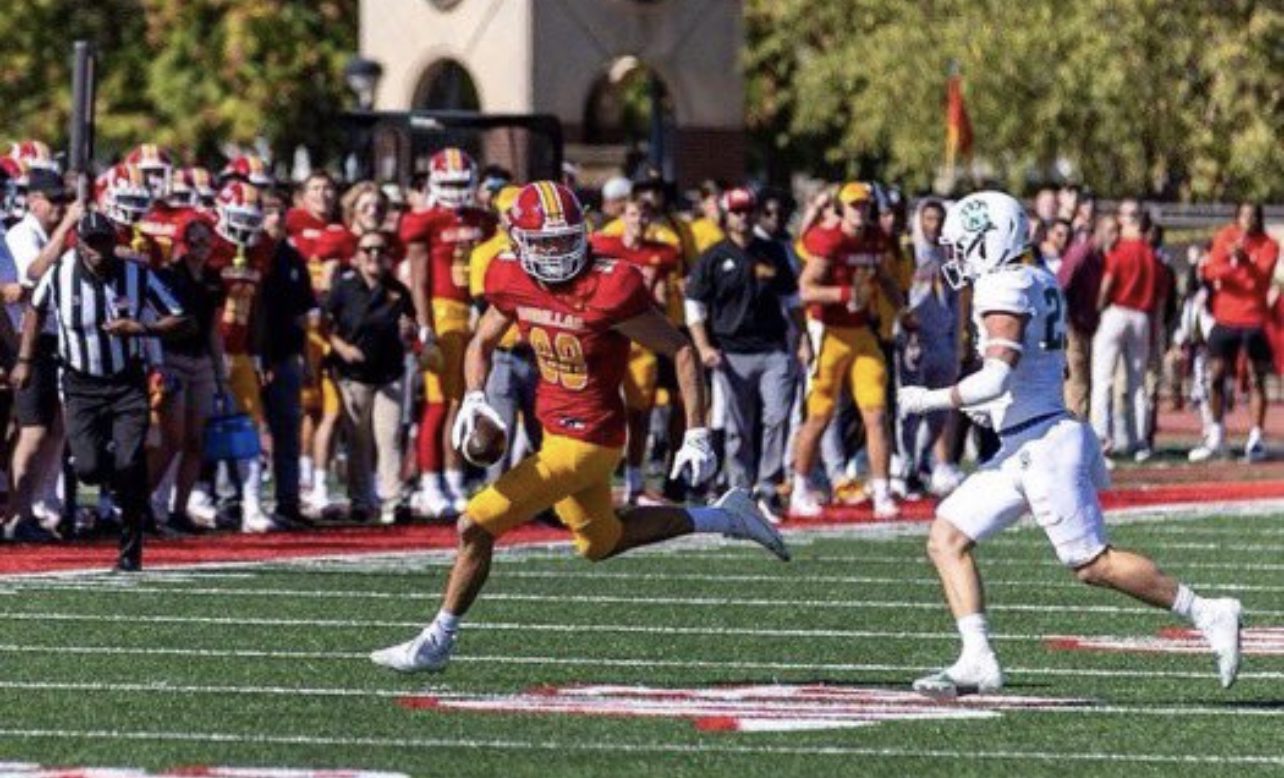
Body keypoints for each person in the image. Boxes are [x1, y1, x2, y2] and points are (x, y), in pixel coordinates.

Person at [369, 182, 789, 673]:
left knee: (474, 524)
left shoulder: (611, 285)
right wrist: (476, 396)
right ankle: (726, 517)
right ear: (518, 239)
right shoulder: (508, 273)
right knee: (600, 542)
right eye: (544, 242)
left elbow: (680, 350)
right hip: (554, 430)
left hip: (591, 441)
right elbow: (482, 343)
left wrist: (696, 430)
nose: (555, 251)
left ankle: (437, 640)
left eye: (564, 239)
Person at [897, 190, 1242, 697]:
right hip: (1026, 439)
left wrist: (930, 399)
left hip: (1042, 446)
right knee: (946, 538)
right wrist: (995, 407)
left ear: (991, 240)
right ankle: (977, 659)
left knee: (1092, 564)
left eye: (965, 244)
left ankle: (1208, 611)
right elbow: (1030, 372)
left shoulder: (1004, 284)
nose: (959, 256)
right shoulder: (1035, 277)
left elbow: (996, 375)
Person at [14, 211, 189, 571]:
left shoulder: (136, 275)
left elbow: (180, 316)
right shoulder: (60, 274)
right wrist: (25, 361)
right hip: (80, 383)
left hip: (127, 382)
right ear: (79, 244)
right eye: (90, 243)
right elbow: (34, 309)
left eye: (103, 242)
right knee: (89, 468)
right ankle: (117, 472)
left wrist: (140, 328)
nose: (97, 250)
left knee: (130, 462)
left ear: (114, 242)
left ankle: (130, 547)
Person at [685, 186, 806, 517]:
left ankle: (768, 487)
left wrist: (803, 339)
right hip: (731, 352)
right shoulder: (713, 257)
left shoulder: (772, 252)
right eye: (737, 211)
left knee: (777, 417)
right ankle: (740, 489)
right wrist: (704, 346)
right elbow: (694, 306)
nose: (743, 217)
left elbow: (792, 301)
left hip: (773, 349)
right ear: (727, 215)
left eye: (748, 210)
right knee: (738, 427)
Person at [791, 182, 904, 519]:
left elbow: (884, 278)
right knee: (819, 415)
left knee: (876, 414)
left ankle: (882, 490)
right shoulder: (829, 239)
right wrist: (843, 295)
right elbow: (805, 289)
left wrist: (904, 311)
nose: (860, 211)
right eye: (854, 205)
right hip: (829, 332)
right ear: (841, 209)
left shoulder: (875, 238)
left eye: (865, 205)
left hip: (861, 333)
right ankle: (799, 488)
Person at [400, 148, 498, 517]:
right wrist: (425, 326)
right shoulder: (423, 220)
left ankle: (454, 480)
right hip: (441, 315)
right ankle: (430, 483)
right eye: (450, 183)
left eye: (461, 183)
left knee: (463, 402)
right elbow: (419, 280)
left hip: (473, 312)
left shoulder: (482, 219)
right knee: (439, 403)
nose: (456, 191)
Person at [589, 196, 680, 503]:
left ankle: (634, 481)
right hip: (608, 336)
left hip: (641, 339)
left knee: (639, 413)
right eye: (632, 214)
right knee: (599, 408)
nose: (638, 221)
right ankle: (595, 478)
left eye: (643, 216)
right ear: (622, 217)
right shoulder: (603, 245)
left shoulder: (662, 253)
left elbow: (660, 299)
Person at [5, 169, 80, 538]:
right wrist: (66, 227)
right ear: (34, 201)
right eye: (54, 201)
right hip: (25, 341)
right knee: (32, 431)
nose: (60, 208)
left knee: (53, 430)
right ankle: (15, 514)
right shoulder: (22, 234)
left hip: (51, 340)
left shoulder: (51, 236)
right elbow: (32, 274)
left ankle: (34, 507)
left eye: (64, 201)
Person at [325, 230, 415, 525]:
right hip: (354, 374)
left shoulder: (398, 290)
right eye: (367, 250)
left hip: (389, 372)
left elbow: (411, 328)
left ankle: (393, 498)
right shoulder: (344, 288)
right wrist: (343, 348)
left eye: (380, 250)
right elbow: (323, 325)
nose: (374, 255)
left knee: (389, 437)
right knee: (358, 439)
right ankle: (361, 499)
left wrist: (409, 333)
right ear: (357, 256)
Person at [147, 214, 223, 531]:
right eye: (194, 240)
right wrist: (156, 363)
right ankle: (142, 503)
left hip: (200, 361)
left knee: (195, 440)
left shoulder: (214, 279)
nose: (200, 246)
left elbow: (214, 329)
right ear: (183, 242)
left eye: (206, 240)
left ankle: (179, 509)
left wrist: (220, 373)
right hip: (173, 358)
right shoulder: (169, 275)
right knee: (171, 439)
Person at [1190, 202, 1280, 462]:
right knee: (1217, 374)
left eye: (1253, 216)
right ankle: (1216, 434)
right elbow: (1211, 271)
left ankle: (1256, 437)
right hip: (1225, 317)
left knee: (1256, 377)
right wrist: (1235, 267)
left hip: (1254, 318)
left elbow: (1260, 279)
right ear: (1237, 217)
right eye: (1244, 215)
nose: (1248, 220)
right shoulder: (1225, 237)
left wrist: (1242, 263)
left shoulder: (1269, 244)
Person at [252, 186, 318, 525]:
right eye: (268, 211)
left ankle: (287, 501)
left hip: (287, 355)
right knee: (245, 431)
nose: (276, 217)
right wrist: (258, 356)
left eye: (280, 211)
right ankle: (236, 500)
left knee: (287, 431)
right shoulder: (249, 255)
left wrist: (306, 358)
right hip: (250, 355)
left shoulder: (293, 258)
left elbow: (303, 314)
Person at [1090, 200, 1161, 461]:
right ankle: (1139, 440)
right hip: (1141, 316)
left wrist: (1097, 307)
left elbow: (1108, 282)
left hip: (1117, 312)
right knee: (1137, 383)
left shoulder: (1121, 249)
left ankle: (1102, 438)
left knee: (1103, 380)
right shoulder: (1151, 253)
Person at [1057, 215, 1114, 419]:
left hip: (1087, 325)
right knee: (1077, 381)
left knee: (1086, 380)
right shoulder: (1081, 254)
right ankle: (1075, 426)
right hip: (1073, 324)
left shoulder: (1101, 258)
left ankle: (1081, 422)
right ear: (1099, 231)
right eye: (1111, 231)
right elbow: (1061, 286)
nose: (1115, 237)